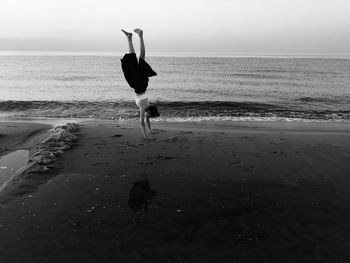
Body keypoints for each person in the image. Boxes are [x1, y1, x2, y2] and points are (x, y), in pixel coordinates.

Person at [121, 28, 160, 138]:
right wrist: (146, 136)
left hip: (142, 84)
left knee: (141, 59)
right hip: (137, 84)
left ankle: (135, 37)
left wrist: (151, 131)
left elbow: (147, 121)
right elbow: (142, 123)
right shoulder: (144, 106)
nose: (147, 117)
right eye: (149, 115)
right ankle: (130, 38)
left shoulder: (148, 104)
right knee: (133, 61)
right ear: (149, 111)